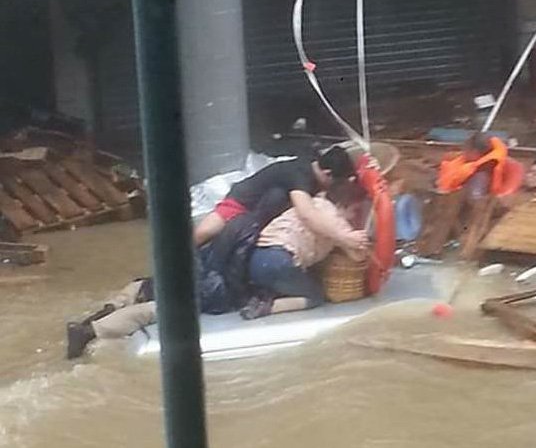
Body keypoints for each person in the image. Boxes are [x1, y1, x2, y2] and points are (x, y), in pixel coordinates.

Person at [65, 181, 369, 359]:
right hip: (210, 280)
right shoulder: (250, 229)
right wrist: (236, 298)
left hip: (191, 263)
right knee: (161, 310)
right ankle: (90, 331)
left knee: (146, 285)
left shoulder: (236, 221)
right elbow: (233, 270)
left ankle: (102, 312)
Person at [193, 146, 366, 256]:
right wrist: (343, 237)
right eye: (335, 182)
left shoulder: (315, 168)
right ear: (327, 173)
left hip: (262, 215)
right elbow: (307, 215)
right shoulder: (300, 175)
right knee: (204, 233)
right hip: (242, 202)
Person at [240, 180, 368, 319]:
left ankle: (260, 298)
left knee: (286, 285)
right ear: (341, 205)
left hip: (257, 258)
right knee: (315, 296)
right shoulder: (336, 221)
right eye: (355, 210)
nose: (355, 216)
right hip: (281, 261)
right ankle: (269, 307)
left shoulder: (312, 204)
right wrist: (360, 240)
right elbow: (357, 256)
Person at [436, 132, 509, 196]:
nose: (463, 153)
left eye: (465, 150)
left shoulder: (480, 174)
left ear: (475, 152)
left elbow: (474, 199)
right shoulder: (469, 163)